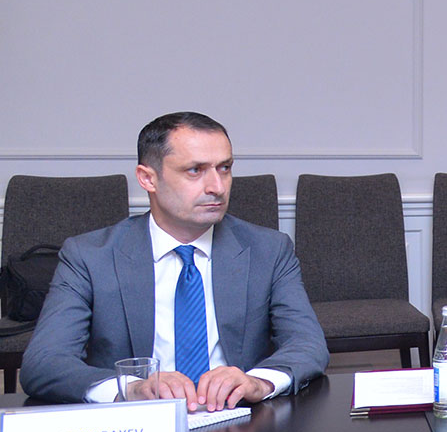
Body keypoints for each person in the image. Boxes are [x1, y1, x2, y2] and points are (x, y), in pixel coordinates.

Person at [22, 113, 328, 408]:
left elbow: (307, 344)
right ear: (148, 179)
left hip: (240, 419)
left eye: (224, 168)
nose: (217, 187)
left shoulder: (269, 250)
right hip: (136, 425)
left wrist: (258, 382)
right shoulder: (90, 256)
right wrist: (131, 388)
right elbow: (45, 363)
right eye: (195, 170)